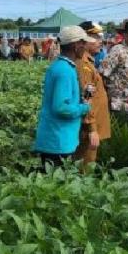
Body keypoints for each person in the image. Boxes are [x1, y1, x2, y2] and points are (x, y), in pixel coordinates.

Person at [32, 25, 94, 169]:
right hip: (58, 142)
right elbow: (62, 108)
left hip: (57, 139)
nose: (85, 47)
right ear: (75, 45)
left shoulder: (60, 66)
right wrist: (84, 107)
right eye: (83, 43)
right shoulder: (64, 71)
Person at [75, 21, 112, 168]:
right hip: (89, 127)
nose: (99, 41)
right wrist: (92, 129)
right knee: (84, 167)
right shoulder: (84, 66)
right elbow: (87, 98)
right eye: (95, 37)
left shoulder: (89, 63)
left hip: (92, 124)